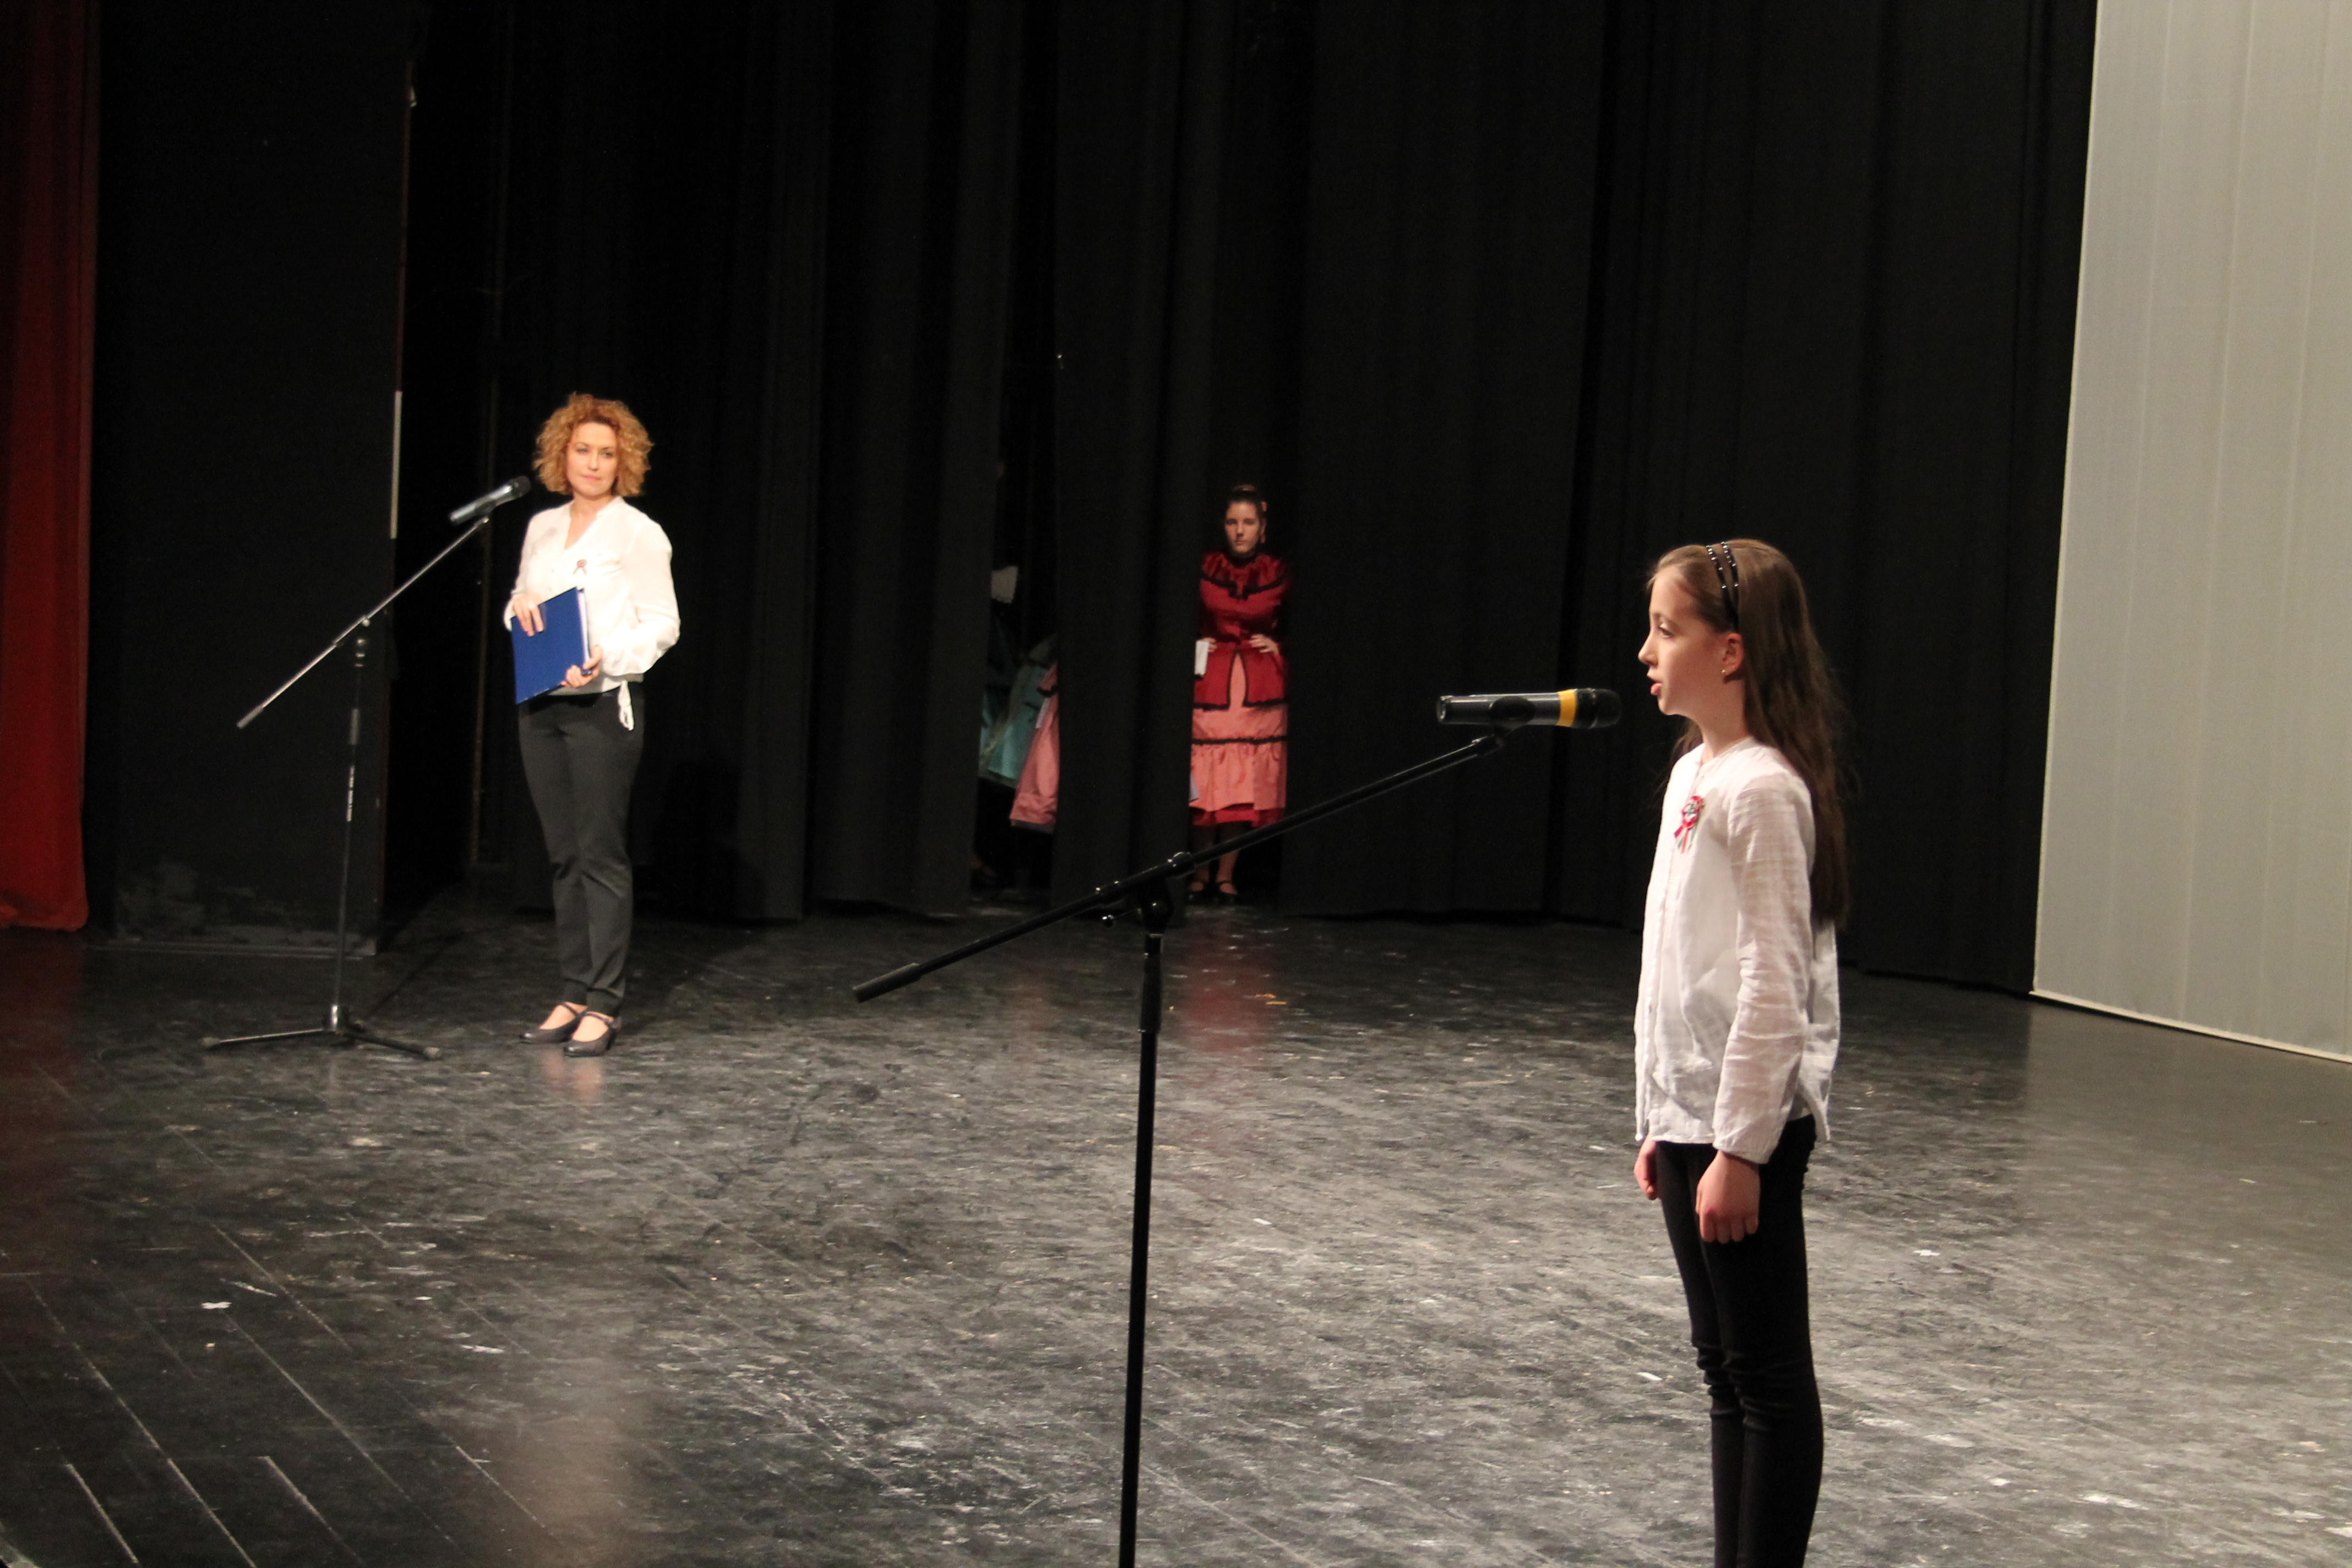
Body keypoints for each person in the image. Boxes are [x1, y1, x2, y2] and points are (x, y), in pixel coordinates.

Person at [1630, 538, 1847, 1567]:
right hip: (1694, 1116)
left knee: (1764, 1375)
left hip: (1741, 1128)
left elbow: (1775, 980)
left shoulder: (1762, 787)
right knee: (1723, 1368)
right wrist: (1659, 1117)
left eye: (1665, 631)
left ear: (1730, 651)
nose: (1646, 652)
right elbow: (1673, 963)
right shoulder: (1694, 772)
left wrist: (1739, 1148)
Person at [506, 394, 680, 1057]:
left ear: (623, 462)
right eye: (583, 450)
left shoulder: (638, 532)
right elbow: (521, 603)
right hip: (542, 704)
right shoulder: (543, 527)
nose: (594, 463)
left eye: (607, 453)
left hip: (603, 707)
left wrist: (610, 656)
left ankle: (604, 1002)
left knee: (600, 855)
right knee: (563, 855)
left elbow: (663, 624)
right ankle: (574, 989)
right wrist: (519, 604)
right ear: (563, 454)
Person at [1188, 483, 1289, 901]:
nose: (1240, 530)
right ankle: (1199, 872)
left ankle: (1226, 874)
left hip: (1257, 684)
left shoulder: (1278, 571)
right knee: (1205, 784)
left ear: (1262, 528)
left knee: (1239, 787)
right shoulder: (1204, 566)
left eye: (1248, 523)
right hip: (1210, 680)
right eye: (1233, 522)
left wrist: (1279, 647)